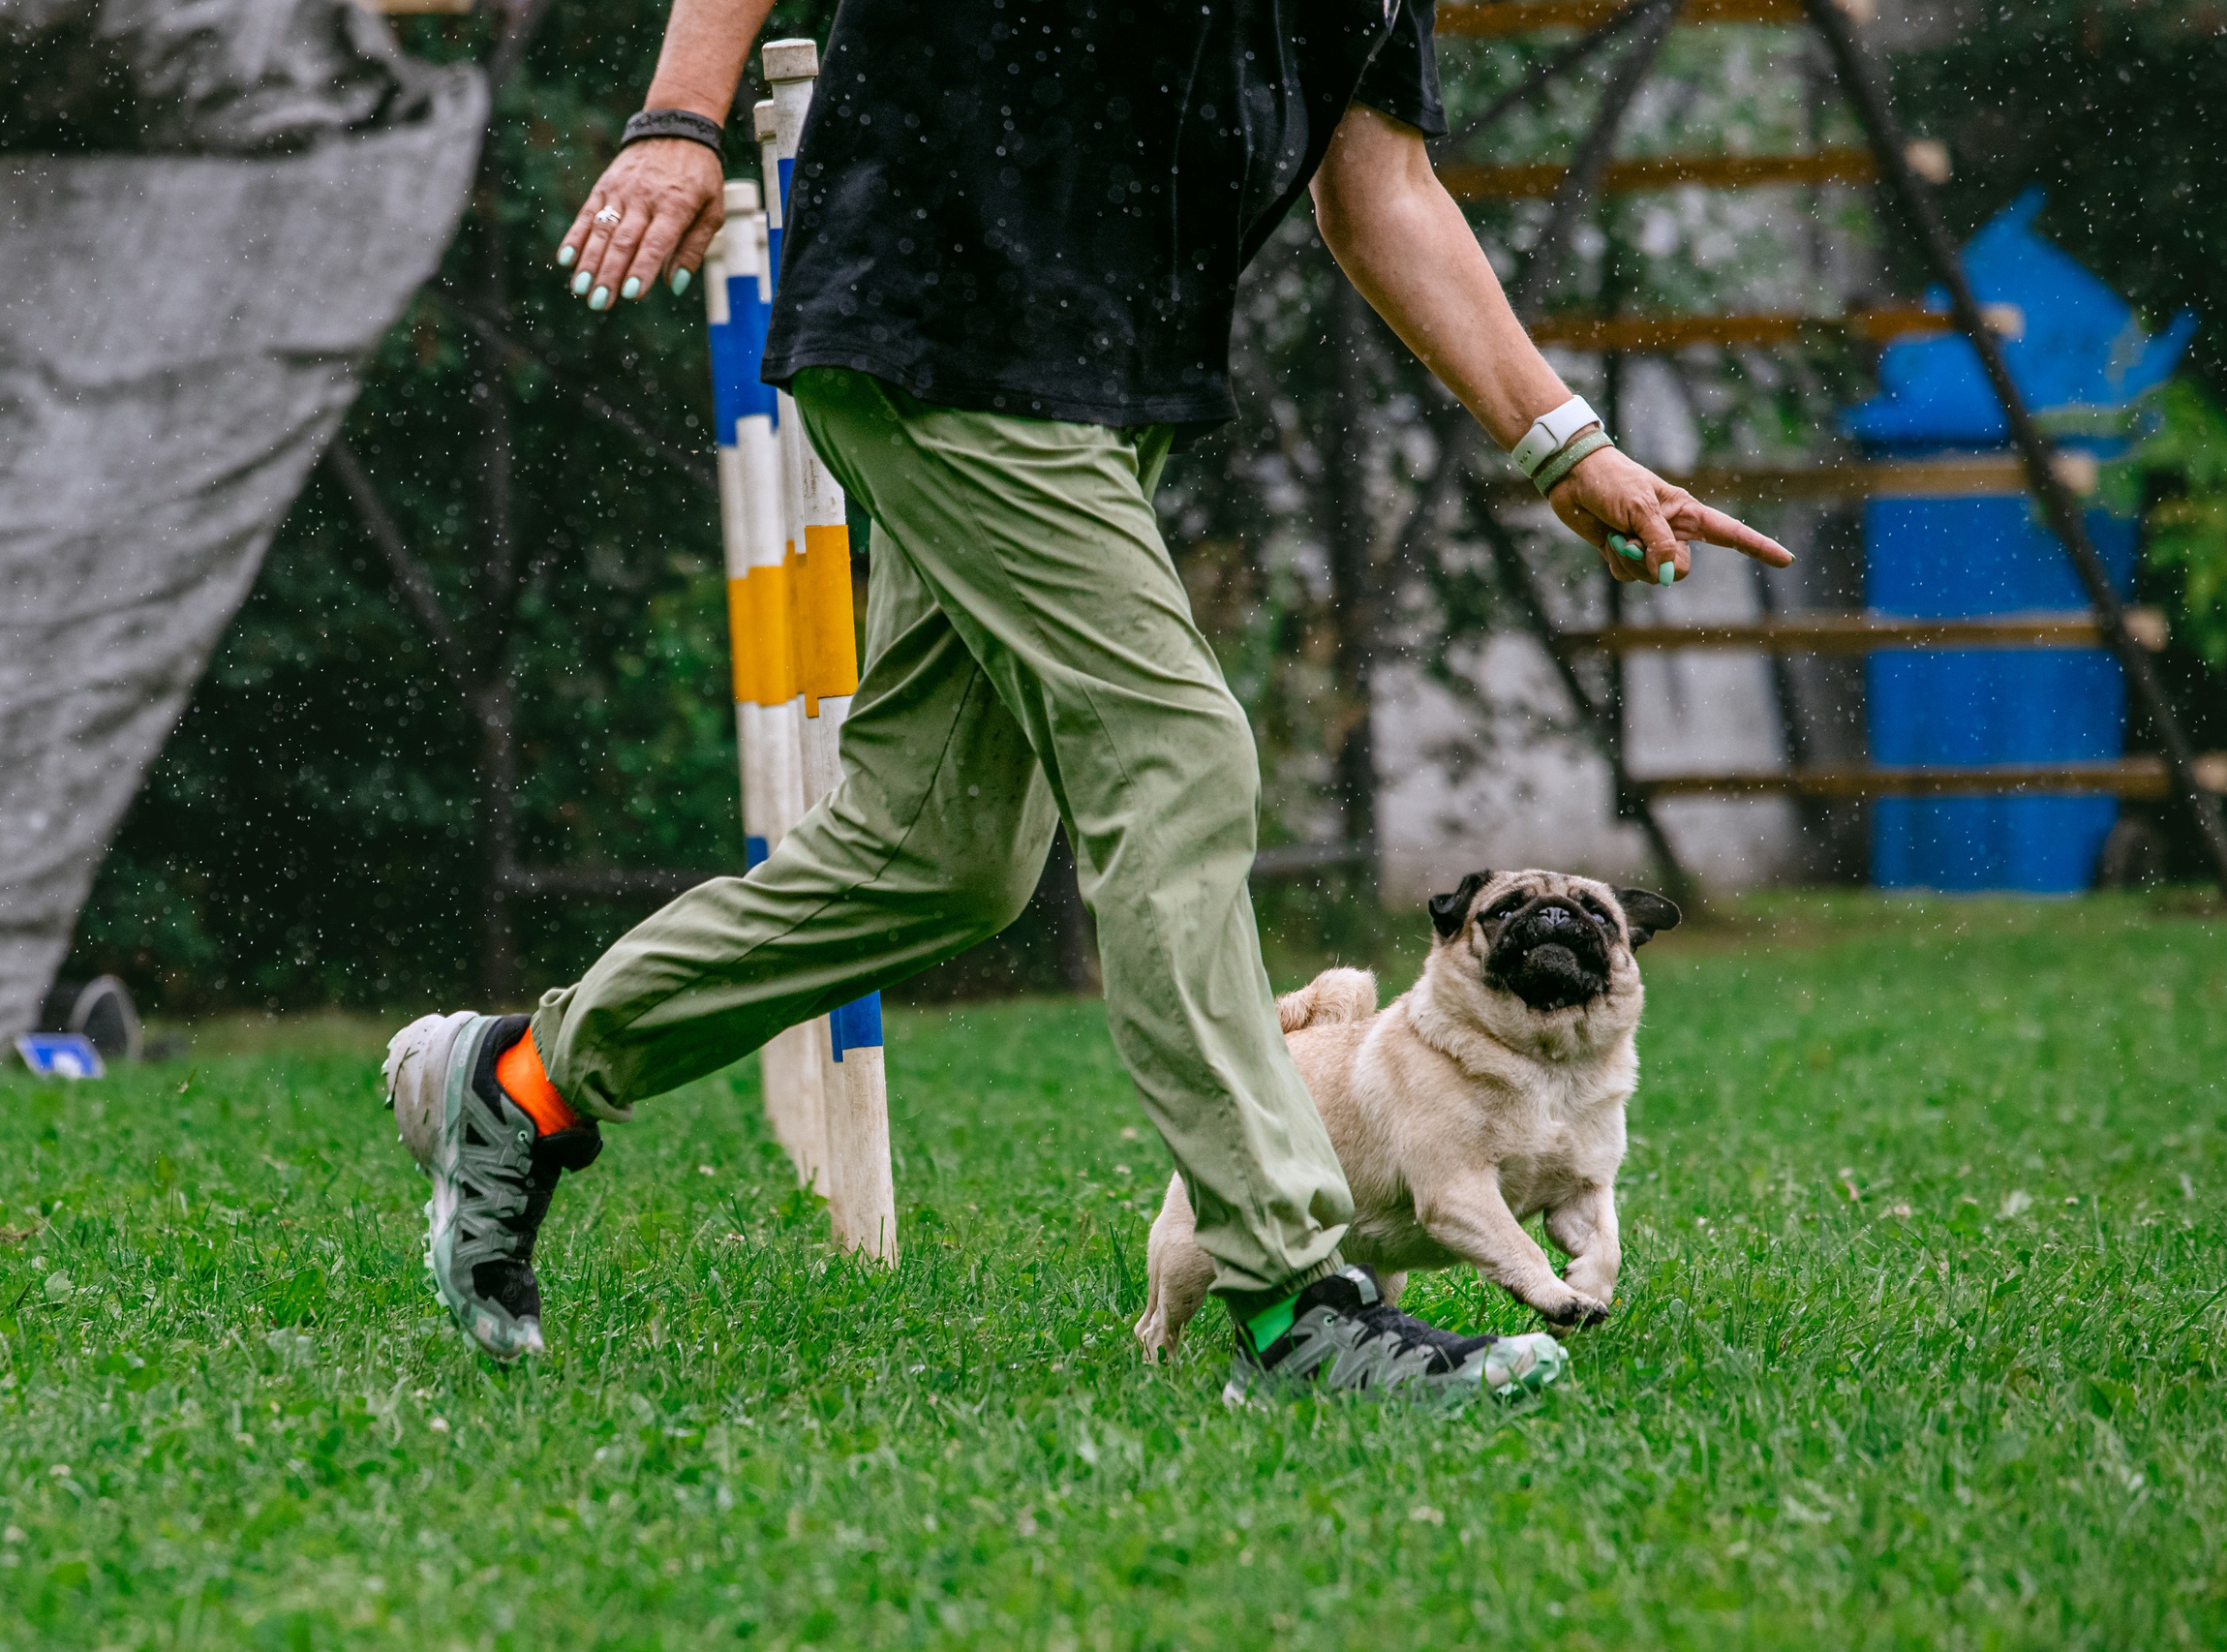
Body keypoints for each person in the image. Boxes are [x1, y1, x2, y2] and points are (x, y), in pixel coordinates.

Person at [381, 0, 1791, 1397]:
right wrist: (680, 119)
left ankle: (526, 1085)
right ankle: (1290, 1299)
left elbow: (1383, 192)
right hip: (936, 318)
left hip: (1108, 384)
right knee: (1174, 753)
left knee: (934, 855)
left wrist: (1564, 444)